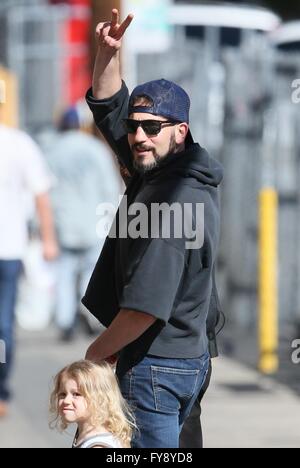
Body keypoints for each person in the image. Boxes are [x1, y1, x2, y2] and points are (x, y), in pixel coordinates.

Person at [83, 10, 223, 448]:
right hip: (185, 354)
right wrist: (108, 52)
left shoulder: (172, 201)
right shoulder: (165, 166)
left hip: (157, 363)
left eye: (151, 128)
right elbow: (110, 104)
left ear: (180, 131)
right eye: (134, 127)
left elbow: (145, 308)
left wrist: (96, 353)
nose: (139, 136)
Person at [42, 106, 121, 341]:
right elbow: (110, 187)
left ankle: (66, 322)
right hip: (93, 220)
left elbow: (44, 189)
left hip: (63, 222)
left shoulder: (51, 151)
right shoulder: (95, 149)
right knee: (91, 270)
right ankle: (88, 314)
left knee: (64, 273)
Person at [0, 107, 58, 417]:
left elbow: (40, 195)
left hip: (8, 249)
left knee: (3, 327)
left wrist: (48, 239)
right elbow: (42, 195)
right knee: (2, 326)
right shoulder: (20, 143)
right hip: (9, 250)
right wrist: (48, 239)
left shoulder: (19, 144)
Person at [49, 360, 136, 448]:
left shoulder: (97, 445)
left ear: (100, 399)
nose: (66, 401)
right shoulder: (89, 436)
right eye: (62, 394)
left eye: (76, 394)